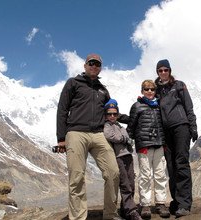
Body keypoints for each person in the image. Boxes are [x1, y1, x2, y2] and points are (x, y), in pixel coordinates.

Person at [56, 53, 122, 220]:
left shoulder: (103, 90)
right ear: (85, 66)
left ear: (100, 68)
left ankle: (110, 214)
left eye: (97, 64)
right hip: (76, 132)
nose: (94, 66)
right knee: (77, 176)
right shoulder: (73, 83)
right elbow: (62, 109)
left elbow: (110, 113)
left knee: (113, 172)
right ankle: (78, 217)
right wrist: (61, 138)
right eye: (91, 63)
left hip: (99, 134)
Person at [154, 59, 198, 217]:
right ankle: (176, 201)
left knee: (181, 164)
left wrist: (192, 126)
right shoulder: (156, 90)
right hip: (165, 132)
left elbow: (188, 106)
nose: (163, 73)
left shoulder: (179, 85)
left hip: (181, 127)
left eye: (166, 70)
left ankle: (185, 204)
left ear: (170, 71)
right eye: (160, 70)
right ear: (157, 72)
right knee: (171, 166)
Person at [127, 80, 170, 219]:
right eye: (147, 89)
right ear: (142, 91)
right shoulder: (137, 106)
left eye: (152, 89)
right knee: (145, 176)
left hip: (159, 144)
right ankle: (145, 204)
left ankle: (161, 203)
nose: (150, 91)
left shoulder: (159, 106)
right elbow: (131, 127)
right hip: (144, 146)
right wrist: (130, 141)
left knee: (160, 175)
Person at [103, 99, 142, 220]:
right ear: (105, 115)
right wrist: (125, 139)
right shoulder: (107, 125)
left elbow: (126, 136)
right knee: (125, 184)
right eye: (109, 114)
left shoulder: (119, 125)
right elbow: (110, 136)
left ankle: (126, 209)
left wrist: (126, 139)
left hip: (127, 155)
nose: (112, 116)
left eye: (115, 113)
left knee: (131, 183)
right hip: (118, 157)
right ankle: (131, 211)